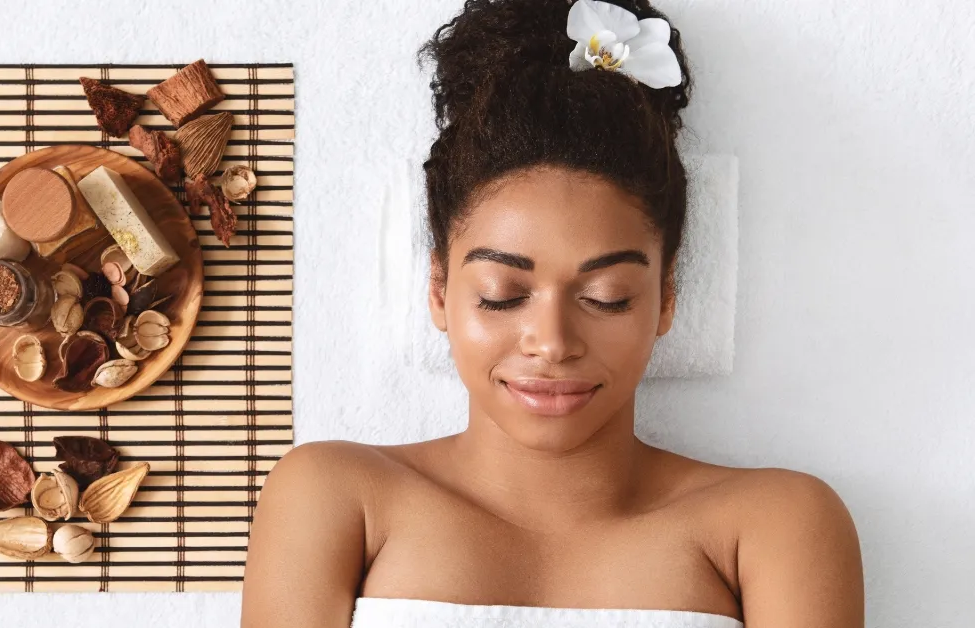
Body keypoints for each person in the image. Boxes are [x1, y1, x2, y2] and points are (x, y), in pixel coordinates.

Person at [240, 1, 864, 626]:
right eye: (502, 295)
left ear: (666, 297)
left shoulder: (774, 525)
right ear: (438, 290)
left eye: (607, 297)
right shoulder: (336, 497)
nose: (552, 342)